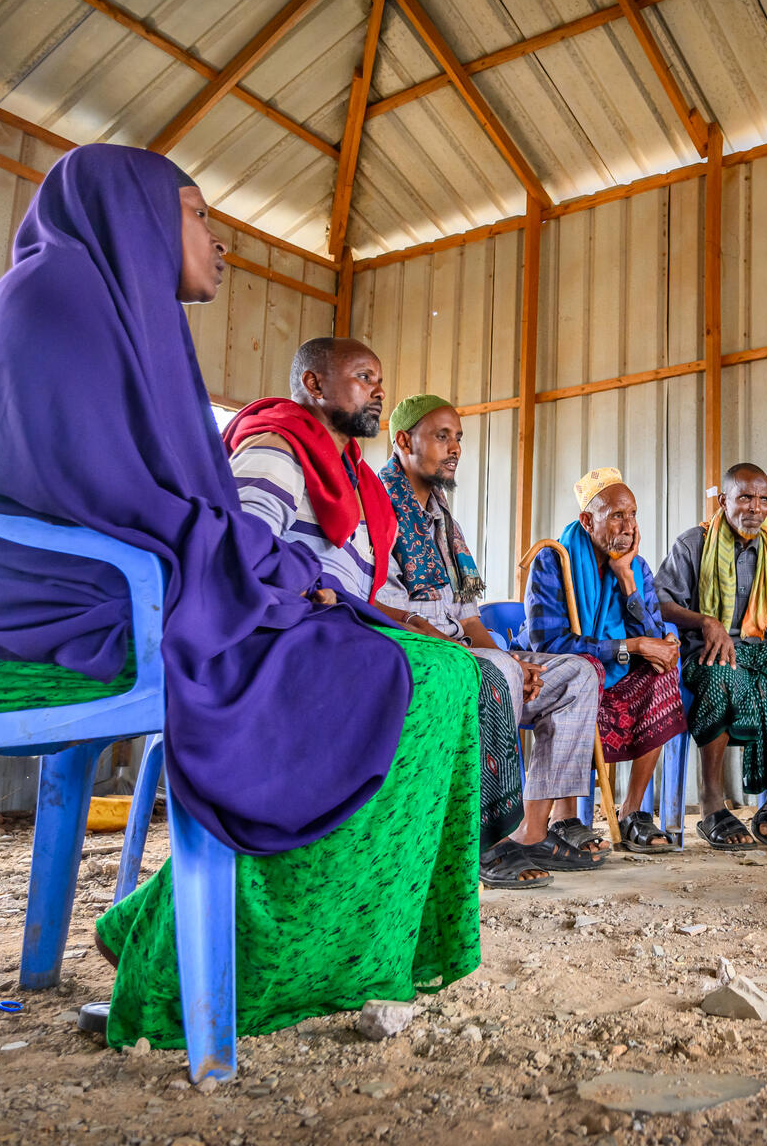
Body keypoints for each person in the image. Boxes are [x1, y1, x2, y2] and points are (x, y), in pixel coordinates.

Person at [0, 144, 483, 1050]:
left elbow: (154, 506)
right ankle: (204, 973)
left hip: (101, 597)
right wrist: (278, 576)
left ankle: (169, 932)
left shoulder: (110, 312)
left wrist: (274, 577)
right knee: (409, 681)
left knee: (427, 668)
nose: (221, 241)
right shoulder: (55, 305)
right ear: (133, 214)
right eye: (200, 215)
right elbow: (124, 503)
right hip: (37, 624)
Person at [223, 344, 541, 890]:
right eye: (364, 377)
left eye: (380, 379)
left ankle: (434, 838)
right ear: (315, 385)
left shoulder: (353, 481)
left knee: (473, 670)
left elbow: (360, 588)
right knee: (465, 673)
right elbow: (241, 551)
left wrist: (370, 613)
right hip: (285, 633)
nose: (378, 390)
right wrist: (333, 596)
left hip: (341, 623)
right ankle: (449, 838)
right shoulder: (278, 447)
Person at [378, 393, 606, 881]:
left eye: (458, 437)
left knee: (579, 673)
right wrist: (495, 661)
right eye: (441, 436)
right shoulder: (378, 509)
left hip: (462, 649)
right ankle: (488, 839)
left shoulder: (444, 522)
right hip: (414, 652)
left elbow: (472, 618)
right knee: (498, 667)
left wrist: (516, 663)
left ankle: (535, 831)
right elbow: (378, 604)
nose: (454, 447)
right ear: (402, 440)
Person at [654, 463, 767, 849]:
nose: (755, 507)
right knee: (724, 676)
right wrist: (705, 621)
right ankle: (711, 806)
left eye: (763, 499)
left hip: (766, 651)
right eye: (745, 497)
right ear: (724, 501)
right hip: (709, 653)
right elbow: (662, 604)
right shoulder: (692, 545)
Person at [523, 469, 690, 849]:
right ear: (588, 520)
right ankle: (565, 819)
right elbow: (549, 642)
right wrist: (631, 647)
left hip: (616, 677)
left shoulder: (637, 567)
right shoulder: (554, 560)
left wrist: (627, 578)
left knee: (662, 672)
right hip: (562, 674)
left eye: (633, 515)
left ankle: (632, 812)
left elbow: (652, 632)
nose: (629, 525)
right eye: (617, 515)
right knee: (580, 674)